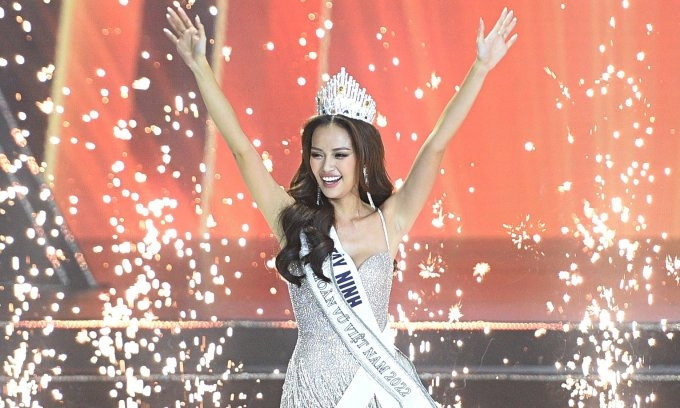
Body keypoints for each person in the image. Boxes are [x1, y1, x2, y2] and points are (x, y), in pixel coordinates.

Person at [165, 5, 517, 407]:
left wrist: (480, 68)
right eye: (317, 155)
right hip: (311, 394)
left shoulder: (390, 220)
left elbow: (436, 144)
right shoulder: (292, 221)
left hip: (376, 392)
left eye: (340, 155)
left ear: (362, 157)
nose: (326, 167)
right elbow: (242, 150)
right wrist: (199, 66)